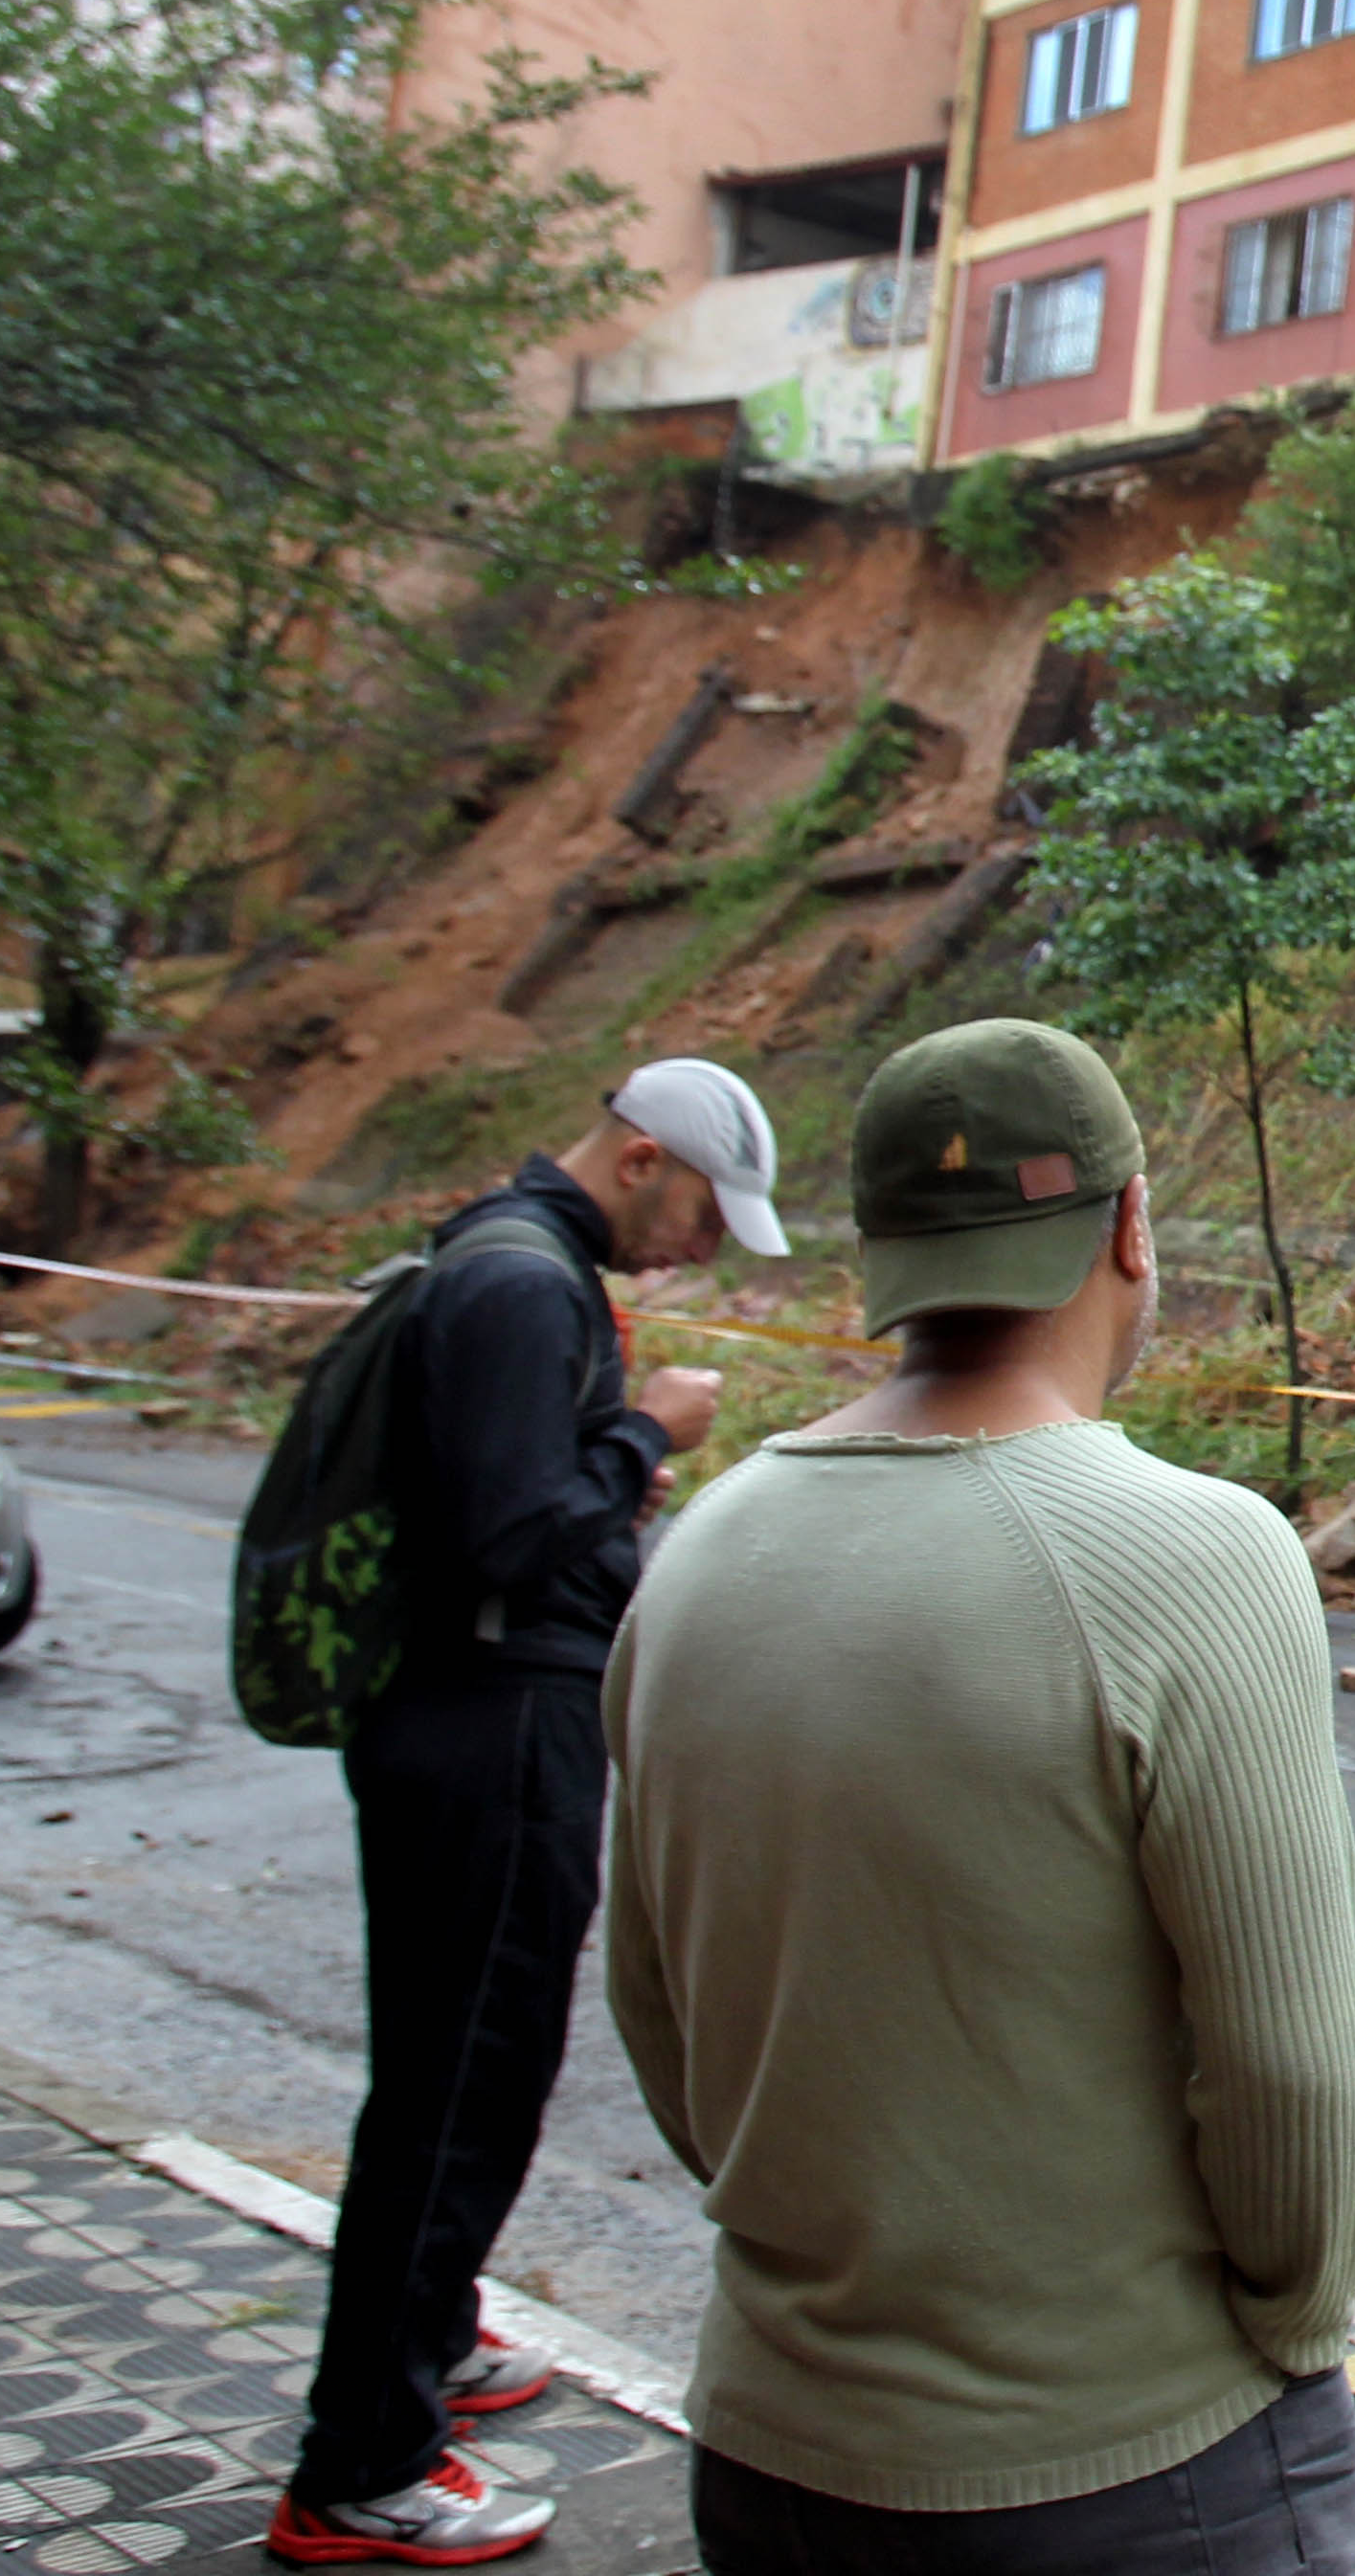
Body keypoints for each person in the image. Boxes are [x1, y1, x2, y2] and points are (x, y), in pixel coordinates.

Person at [603, 1019, 1355, 2573]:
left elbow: (658, 2019)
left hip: (773, 2450)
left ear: (881, 1257)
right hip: (1125, 2465)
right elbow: (1290, 2069)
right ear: (1132, 1225)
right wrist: (1289, 2327)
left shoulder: (696, 1557)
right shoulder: (1195, 1556)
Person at [272, 1061, 782, 2567]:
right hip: (486, 1728)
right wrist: (651, 1435)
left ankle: (427, 2337)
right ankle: (362, 2460)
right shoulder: (518, 1286)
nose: (700, 1244)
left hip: (484, 1718)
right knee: (457, 2091)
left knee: (469, 2072)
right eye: (699, 1210)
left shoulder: (512, 1256)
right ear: (639, 1159)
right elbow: (512, 1532)